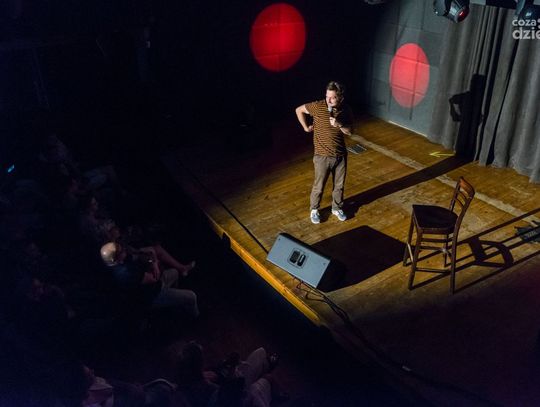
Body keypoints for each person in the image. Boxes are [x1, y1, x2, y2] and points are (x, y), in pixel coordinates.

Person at [295, 81, 354, 224]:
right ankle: (314, 209)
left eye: (333, 97)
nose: (329, 100)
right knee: (319, 186)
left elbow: (350, 131)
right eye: (327, 96)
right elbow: (299, 110)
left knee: (339, 186)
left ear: (340, 98)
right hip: (322, 156)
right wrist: (305, 127)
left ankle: (336, 208)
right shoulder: (318, 106)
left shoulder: (346, 110)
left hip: (340, 155)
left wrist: (339, 124)